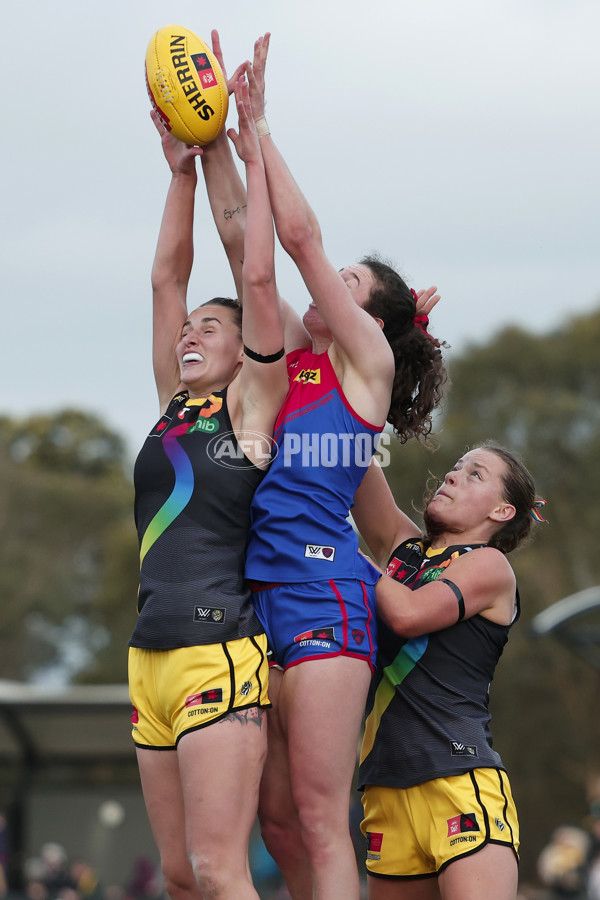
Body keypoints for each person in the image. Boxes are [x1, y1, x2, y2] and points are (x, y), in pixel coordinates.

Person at [237, 35, 448, 900]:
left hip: (326, 599)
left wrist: (259, 128)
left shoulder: (366, 364)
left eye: (350, 281)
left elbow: (296, 236)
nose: (334, 285)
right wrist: (214, 149)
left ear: (372, 315)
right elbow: (244, 243)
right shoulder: (295, 362)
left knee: (324, 818)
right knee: (278, 821)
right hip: (262, 595)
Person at [128, 54, 288, 900]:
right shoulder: (171, 405)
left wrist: (248, 151)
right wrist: (180, 172)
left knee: (221, 870)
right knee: (182, 880)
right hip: (147, 657)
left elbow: (253, 276)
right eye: (187, 328)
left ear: (243, 350)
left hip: (217, 652)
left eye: (210, 328)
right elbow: (165, 277)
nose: (190, 333)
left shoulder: (250, 407)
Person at [351, 441, 547, 900]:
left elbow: (409, 615)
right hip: (384, 786)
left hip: (456, 780)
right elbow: (351, 453)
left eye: (475, 473)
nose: (452, 476)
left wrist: (344, 554)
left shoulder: (489, 565)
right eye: (455, 468)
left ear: (502, 510)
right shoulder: (403, 552)